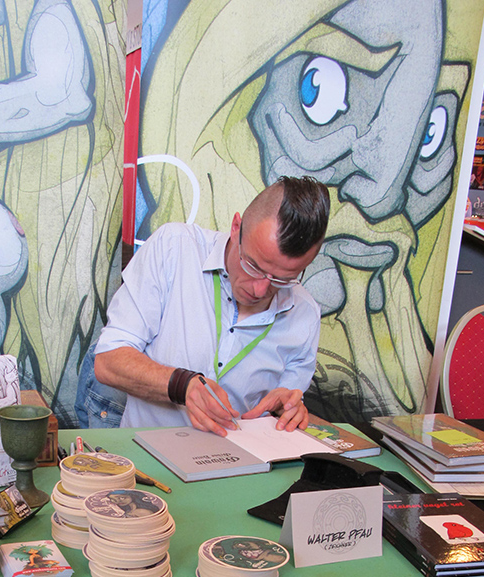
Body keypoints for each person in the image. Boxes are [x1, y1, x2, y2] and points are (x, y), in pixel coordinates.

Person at [93, 177, 329, 436]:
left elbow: (286, 407)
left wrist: (286, 411)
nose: (260, 290)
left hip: (237, 459)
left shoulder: (305, 314)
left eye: (282, 279)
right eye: (253, 266)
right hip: (144, 454)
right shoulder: (173, 248)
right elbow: (108, 361)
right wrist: (182, 385)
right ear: (236, 227)